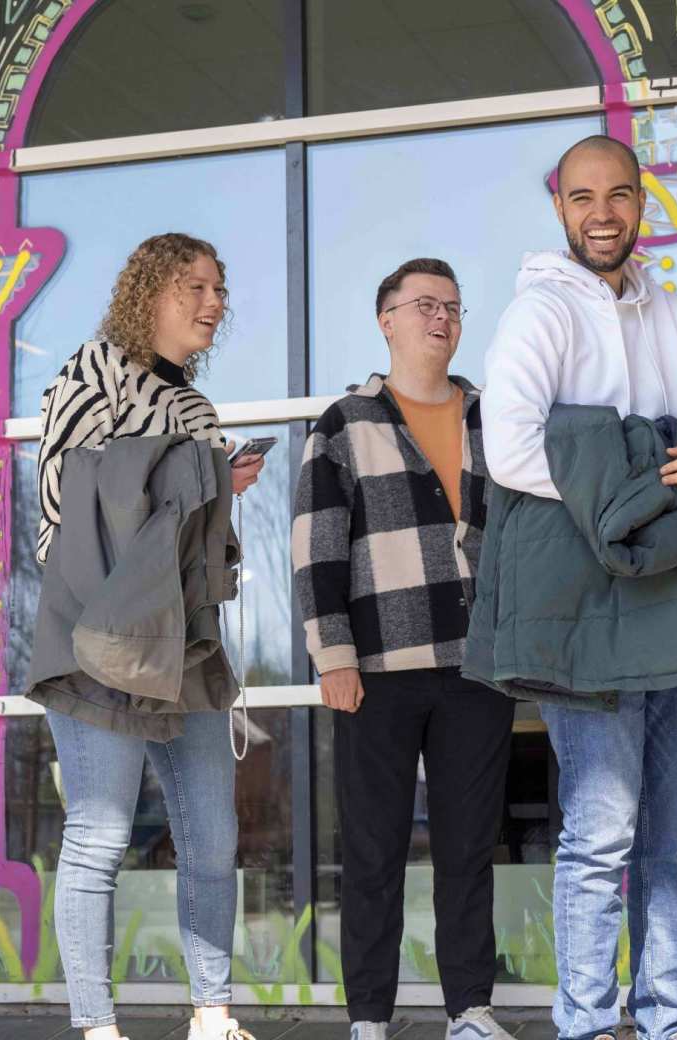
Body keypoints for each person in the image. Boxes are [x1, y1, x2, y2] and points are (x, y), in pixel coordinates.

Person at [481, 135, 677, 1040]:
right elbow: (512, 448)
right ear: (560, 207)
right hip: (582, 606)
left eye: (621, 195)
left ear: (642, 203)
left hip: (672, 593)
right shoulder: (537, 317)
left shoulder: (670, 313)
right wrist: (649, 475)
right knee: (600, 836)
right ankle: (588, 1026)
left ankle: (672, 1018)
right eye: (585, 197)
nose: (604, 213)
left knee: (674, 833)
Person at [29, 233, 265, 1040]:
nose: (213, 302)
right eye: (194, 285)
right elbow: (65, 502)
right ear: (149, 293)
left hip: (185, 640)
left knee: (212, 835)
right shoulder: (91, 372)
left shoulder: (198, 411)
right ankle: (96, 1026)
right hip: (98, 632)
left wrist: (221, 492)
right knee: (99, 833)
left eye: (219, 287)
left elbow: (189, 533)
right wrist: (198, 476)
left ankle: (212, 1013)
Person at [292, 258, 515, 1040]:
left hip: (477, 667)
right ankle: (369, 1018)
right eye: (424, 304)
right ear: (385, 319)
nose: (442, 318)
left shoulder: (495, 416)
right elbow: (316, 548)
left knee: (467, 847)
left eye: (453, 306)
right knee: (375, 850)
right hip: (378, 671)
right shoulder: (344, 423)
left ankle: (469, 1010)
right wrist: (334, 657)